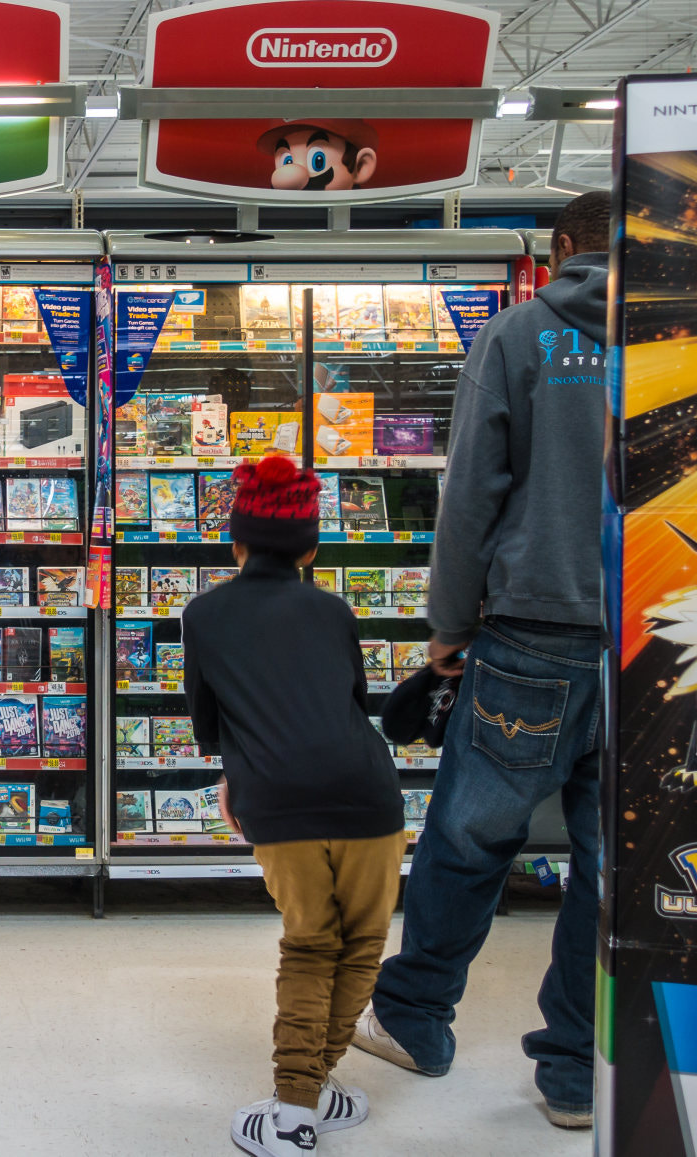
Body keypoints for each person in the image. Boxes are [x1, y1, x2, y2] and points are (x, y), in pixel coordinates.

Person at [352, 190, 612, 1130]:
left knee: (469, 836)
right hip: (656, 640)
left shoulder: (520, 336)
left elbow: (470, 492)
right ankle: (577, 1073)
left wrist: (448, 626)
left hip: (531, 627)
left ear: (563, 248)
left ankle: (417, 1017)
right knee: (609, 863)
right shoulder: (690, 344)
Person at [184, 455, 406, 1156]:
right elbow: (350, 703)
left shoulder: (204, 614)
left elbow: (207, 724)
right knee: (363, 945)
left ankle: (291, 1109)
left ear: (235, 542)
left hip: (276, 804)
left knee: (309, 944)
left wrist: (236, 777)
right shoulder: (333, 609)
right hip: (371, 798)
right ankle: (313, 1086)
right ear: (312, 547)